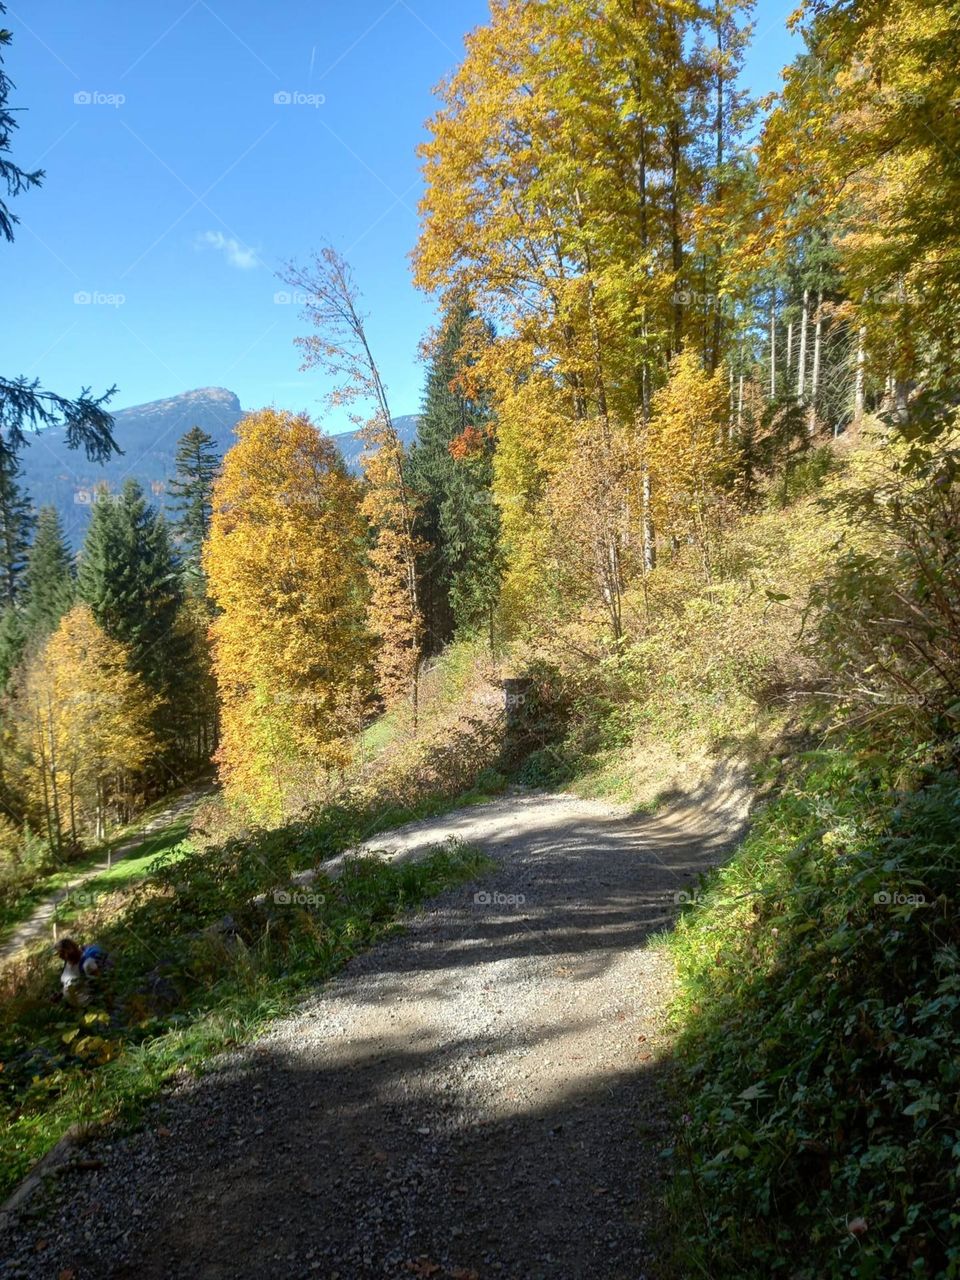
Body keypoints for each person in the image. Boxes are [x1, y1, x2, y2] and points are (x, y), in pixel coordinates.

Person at [55, 937, 109, 1007]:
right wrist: (61, 994)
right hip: (76, 1007)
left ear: (69, 951)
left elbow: (101, 985)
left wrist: (109, 1005)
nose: (59, 957)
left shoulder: (87, 963)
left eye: (61, 953)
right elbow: (69, 983)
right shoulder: (68, 962)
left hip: (90, 1007)